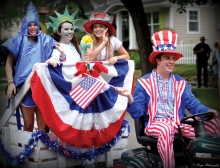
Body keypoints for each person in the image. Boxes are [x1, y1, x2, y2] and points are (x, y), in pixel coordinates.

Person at [115, 30, 220, 168]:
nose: (171, 62)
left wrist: (209, 111)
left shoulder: (180, 82)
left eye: (173, 59)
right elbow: (137, 112)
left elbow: (193, 105)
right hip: (156, 124)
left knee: (214, 125)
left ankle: (195, 161)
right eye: (167, 58)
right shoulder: (144, 83)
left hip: (177, 123)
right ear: (158, 60)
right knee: (165, 130)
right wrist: (129, 96)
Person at [1, 2, 56, 132]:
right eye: (29, 25)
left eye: (35, 24)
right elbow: (9, 63)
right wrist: (10, 82)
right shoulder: (18, 39)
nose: (32, 27)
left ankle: (43, 152)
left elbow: (59, 50)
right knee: (28, 124)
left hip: (42, 86)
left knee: (43, 126)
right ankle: (28, 152)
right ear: (25, 25)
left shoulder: (45, 40)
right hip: (24, 87)